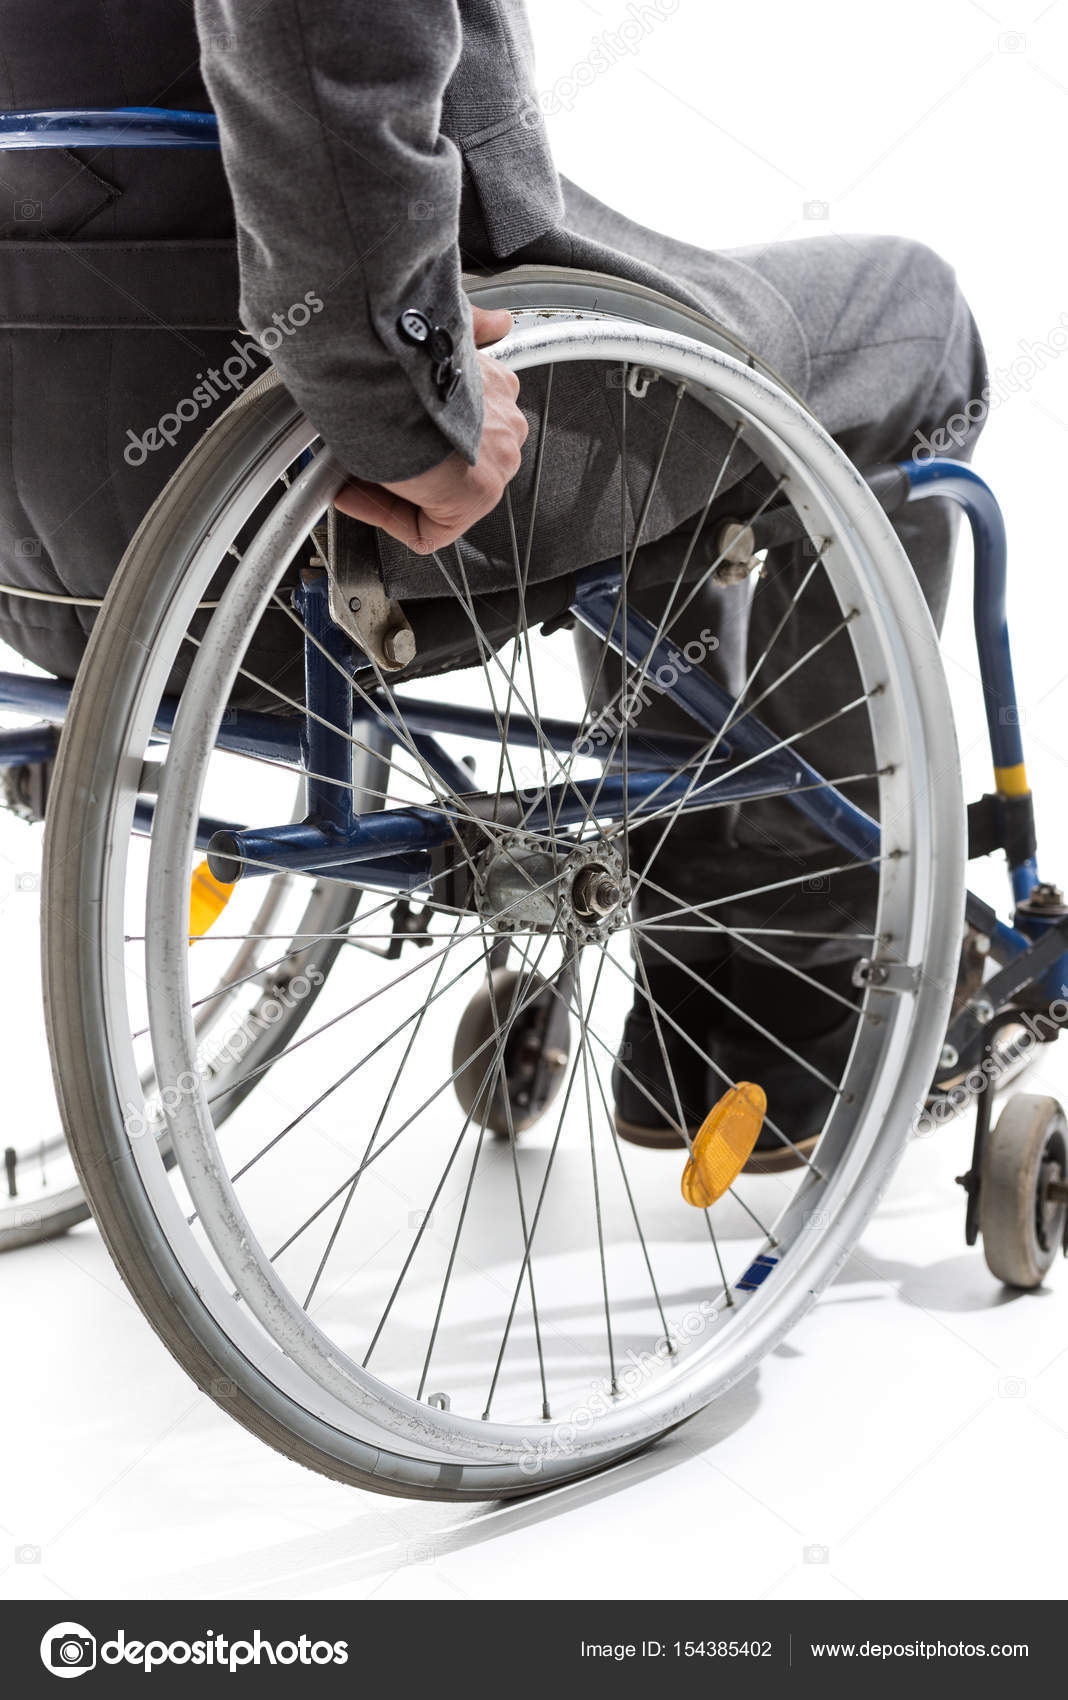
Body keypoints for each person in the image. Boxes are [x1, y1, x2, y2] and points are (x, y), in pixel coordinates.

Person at [1, 0, 987, 1159]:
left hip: (47, 538)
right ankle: (795, 973)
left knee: (671, 384)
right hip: (329, 485)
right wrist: (408, 395)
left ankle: (707, 946)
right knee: (913, 322)